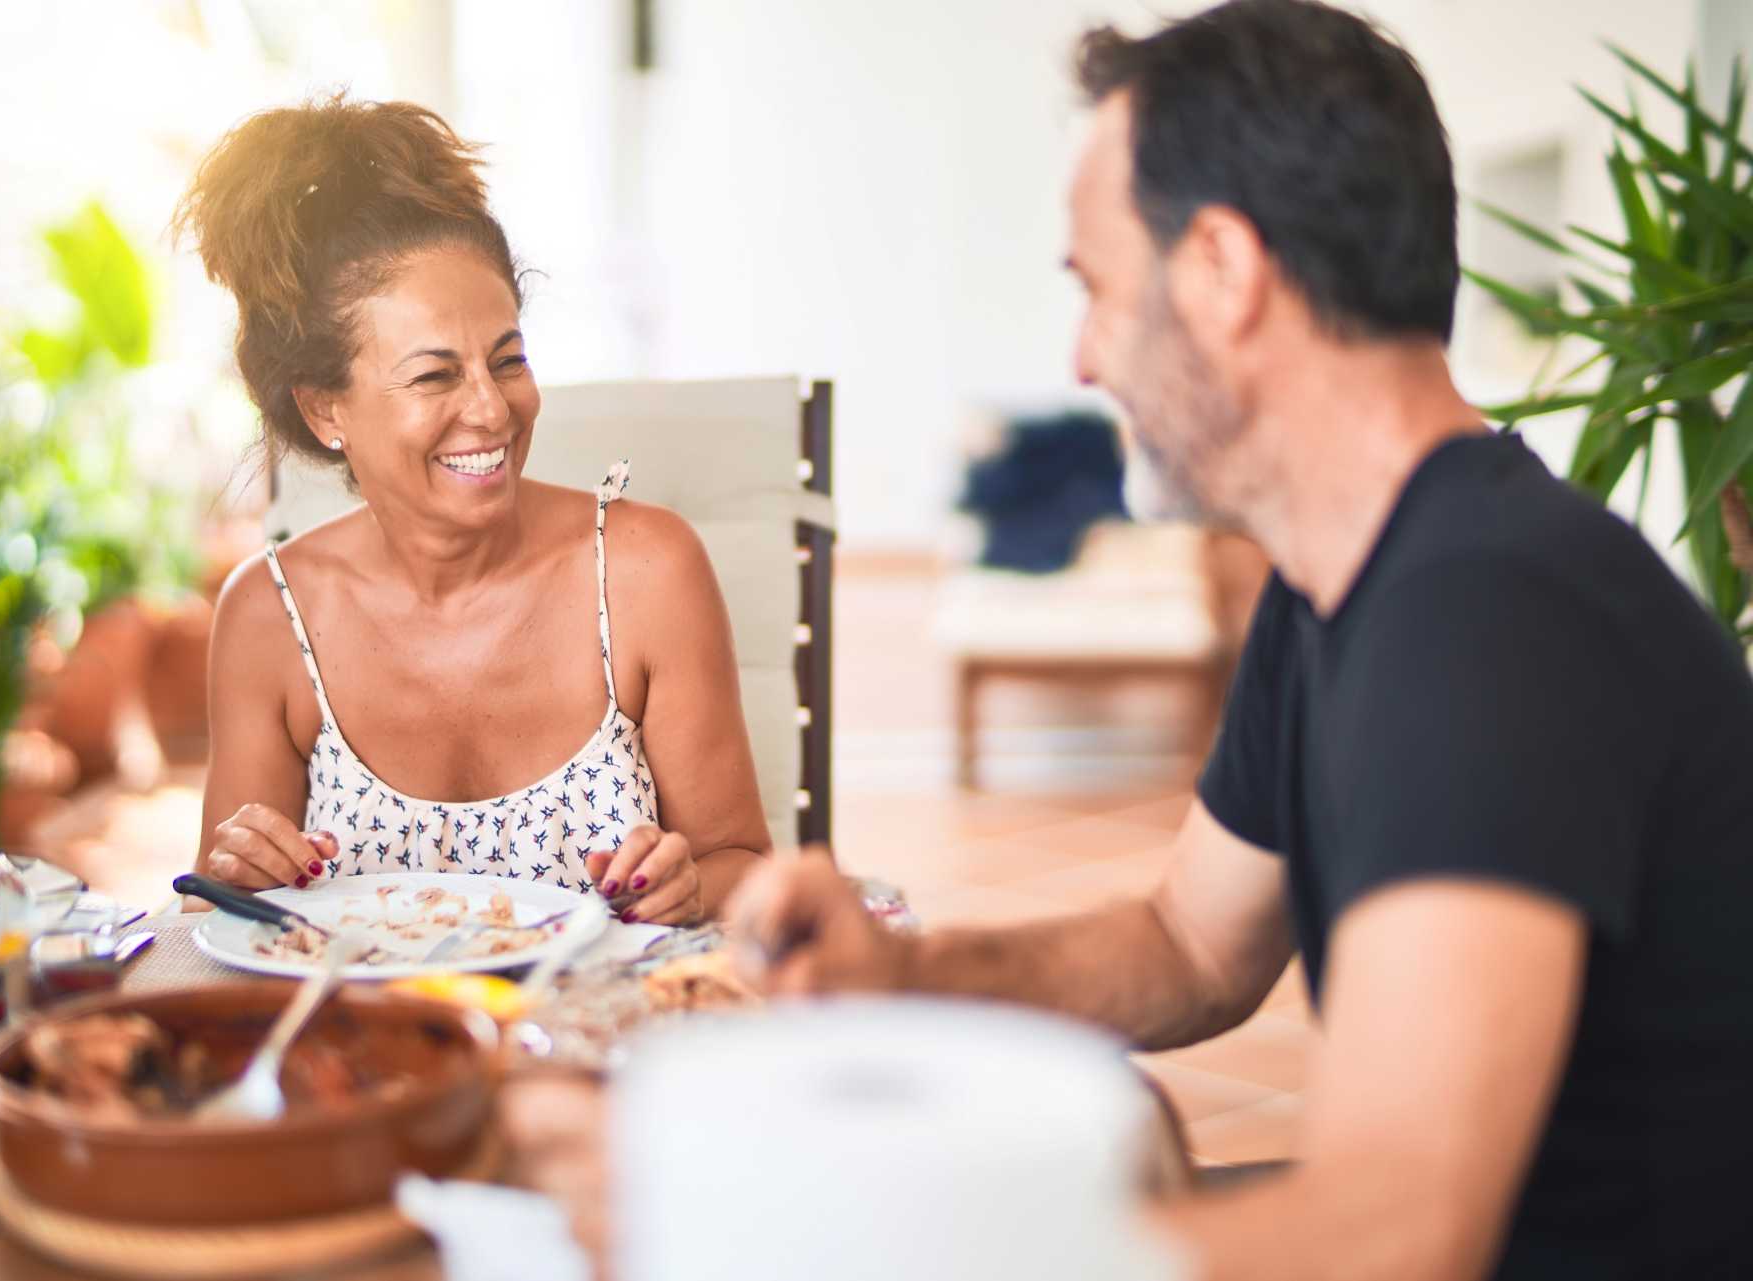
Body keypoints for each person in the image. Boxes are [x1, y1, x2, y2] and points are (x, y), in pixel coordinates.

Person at [726, 2, 1753, 1278]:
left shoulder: (1488, 617)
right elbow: (1193, 946)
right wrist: (904, 969)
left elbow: (1397, 1236)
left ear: (1221, 271)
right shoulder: (1345, 579)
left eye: (1097, 290)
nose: (1085, 359)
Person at [175, 96, 768, 923]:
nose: (493, 410)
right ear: (325, 410)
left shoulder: (646, 573)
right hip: (370, 1046)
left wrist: (696, 883)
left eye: (507, 359)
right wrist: (241, 874)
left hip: (602, 1041)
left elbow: (742, 862)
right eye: (434, 376)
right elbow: (226, 912)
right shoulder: (267, 617)